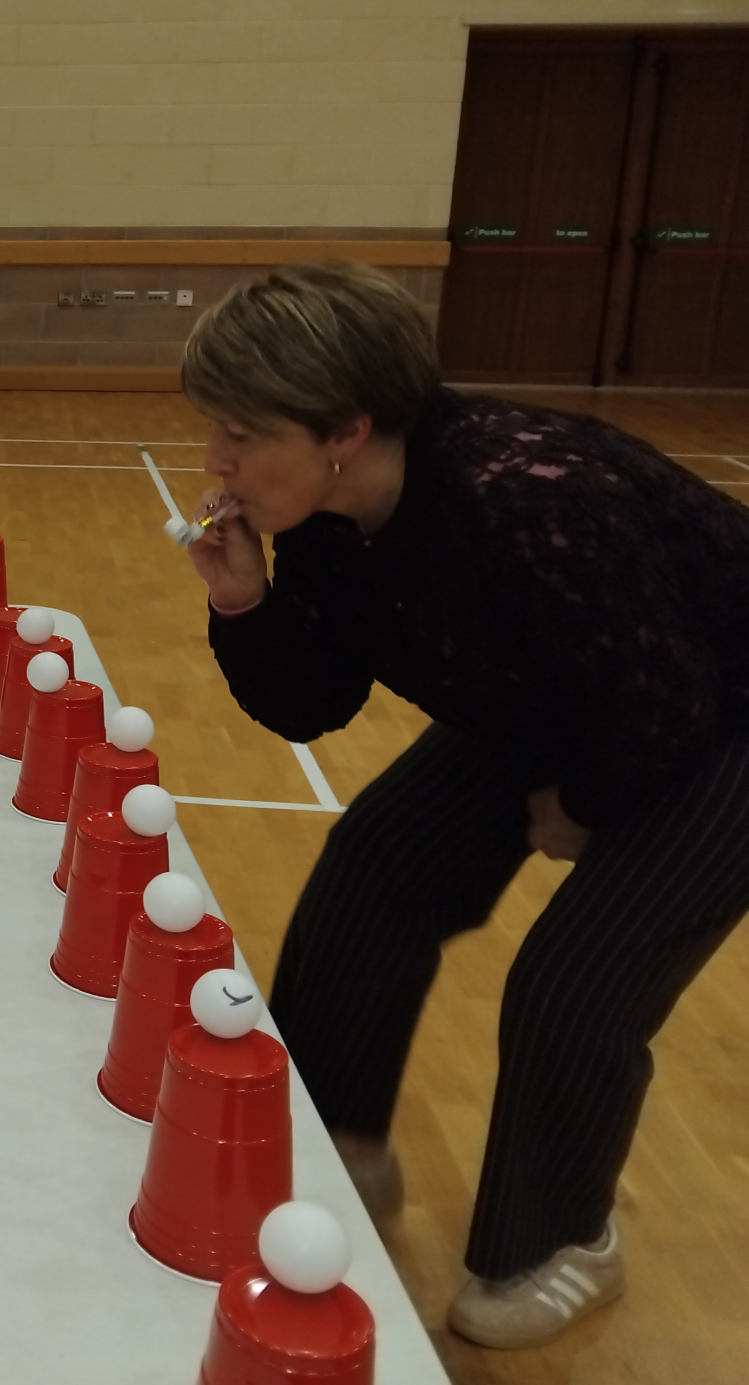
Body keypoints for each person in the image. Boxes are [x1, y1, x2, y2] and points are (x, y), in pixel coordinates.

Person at [177, 263, 749, 1349]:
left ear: (345, 429)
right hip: (575, 694)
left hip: (721, 712)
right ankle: (341, 1146)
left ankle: (565, 1240)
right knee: (378, 861)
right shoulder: (333, 516)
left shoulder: (525, 495)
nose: (214, 460)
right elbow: (312, 702)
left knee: (574, 980)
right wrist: (242, 600)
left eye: (241, 434)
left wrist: (580, 805)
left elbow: (665, 699)